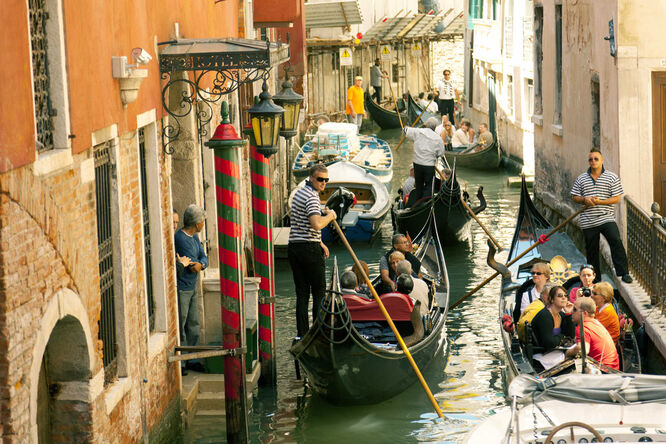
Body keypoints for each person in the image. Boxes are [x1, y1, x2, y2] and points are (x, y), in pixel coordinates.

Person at [288, 164, 337, 337]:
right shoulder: (312, 197)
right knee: (319, 292)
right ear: (311, 178)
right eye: (320, 180)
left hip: (294, 247)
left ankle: (302, 333)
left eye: (326, 180)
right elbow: (316, 224)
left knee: (302, 293)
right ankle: (318, 333)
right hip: (309, 249)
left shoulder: (299, 193)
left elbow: (302, 223)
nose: (323, 183)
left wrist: (320, 241)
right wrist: (330, 216)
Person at [571, 148, 632, 283]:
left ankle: (624, 273)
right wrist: (584, 200)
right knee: (592, 250)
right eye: (590, 159)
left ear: (602, 160)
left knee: (616, 241)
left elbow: (616, 198)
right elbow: (574, 197)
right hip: (588, 220)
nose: (593, 161)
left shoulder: (612, 177)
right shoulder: (581, 179)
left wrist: (601, 202)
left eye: (596, 159)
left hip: (606, 217)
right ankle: (595, 279)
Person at [175, 204, 209, 375]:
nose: (203, 224)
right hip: (183, 288)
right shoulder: (180, 239)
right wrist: (198, 263)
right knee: (181, 324)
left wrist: (201, 264)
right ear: (197, 223)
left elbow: (203, 257)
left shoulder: (195, 237)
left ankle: (192, 359)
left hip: (192, 286)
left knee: (194, 325)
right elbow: (190, 263)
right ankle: (181, 363)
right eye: (202, 221)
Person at [565, 297, 620, 370]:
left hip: (603, 372)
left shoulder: (583, 327)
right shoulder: (595, 322)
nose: (572, 311)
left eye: (574, 309)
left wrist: (568, 352)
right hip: (613, 368)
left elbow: (583, 349)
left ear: (584, 313)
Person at [402, 117, 445, 206]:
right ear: (435, 127)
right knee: (429, 186)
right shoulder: (438, 138)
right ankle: (425, 204)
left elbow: (405, 130)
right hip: (429, 165)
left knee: (419, 185)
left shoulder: (417, 132)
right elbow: (441, 153)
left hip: (417, 164)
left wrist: (406, 127)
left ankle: (417, 204)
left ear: (426, 124)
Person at [530, 285, 574, 353]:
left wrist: (568, 314)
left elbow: (571, 335)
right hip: (542, 354)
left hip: (555, 352)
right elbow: (549, 343)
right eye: (560, 296)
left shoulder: (561, 315)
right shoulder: (545, 315)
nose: (564, 298)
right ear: (551, 299)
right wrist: (562, 336)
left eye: (565, 296)